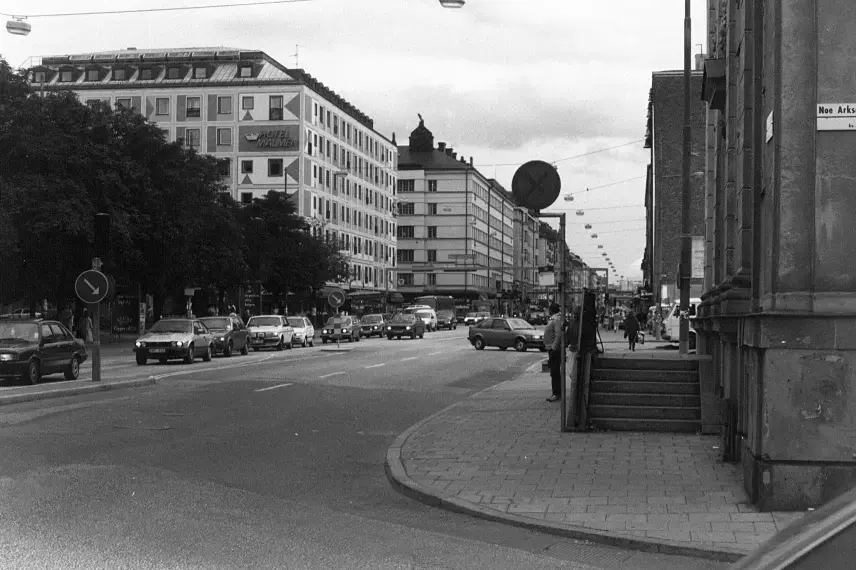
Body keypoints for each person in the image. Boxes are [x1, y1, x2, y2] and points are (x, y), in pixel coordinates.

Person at [542, 303, 563, 402]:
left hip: (554, 349)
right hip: (551, 348)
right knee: (554, 372)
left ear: (551, 310)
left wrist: (554, 346)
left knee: (554, 372)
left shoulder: (556, 319)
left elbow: (558, 334)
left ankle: (556, 393)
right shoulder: (554, 318)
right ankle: (556, 392)